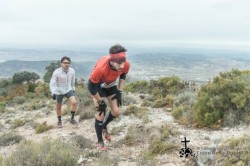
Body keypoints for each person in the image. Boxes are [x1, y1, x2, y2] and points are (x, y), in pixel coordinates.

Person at [88, 44, 130, 151]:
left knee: (116, 111)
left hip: (110, 85)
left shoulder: (125, 65)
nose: (122, 66)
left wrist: (119, 91)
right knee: (100, 112)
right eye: (119, 63)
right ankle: (100, 142)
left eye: (123, 62)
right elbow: (91, 86)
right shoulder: (101, 69)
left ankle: (103, 127)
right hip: (97, 86)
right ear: (111, 61)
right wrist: (100, 101)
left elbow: (123, 75)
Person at [50, 56, 77, 128]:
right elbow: (52, 83)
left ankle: (72, 119)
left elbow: (73, 81)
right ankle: (59, 121)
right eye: (65, 63)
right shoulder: (56, 72)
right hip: (59, 90)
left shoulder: (72, 71)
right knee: (58, 106)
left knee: (74, 102)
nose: (67, 64)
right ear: (61, 64)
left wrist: (73, 89)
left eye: (68, 63)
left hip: (68, 89)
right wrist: (53, 92)